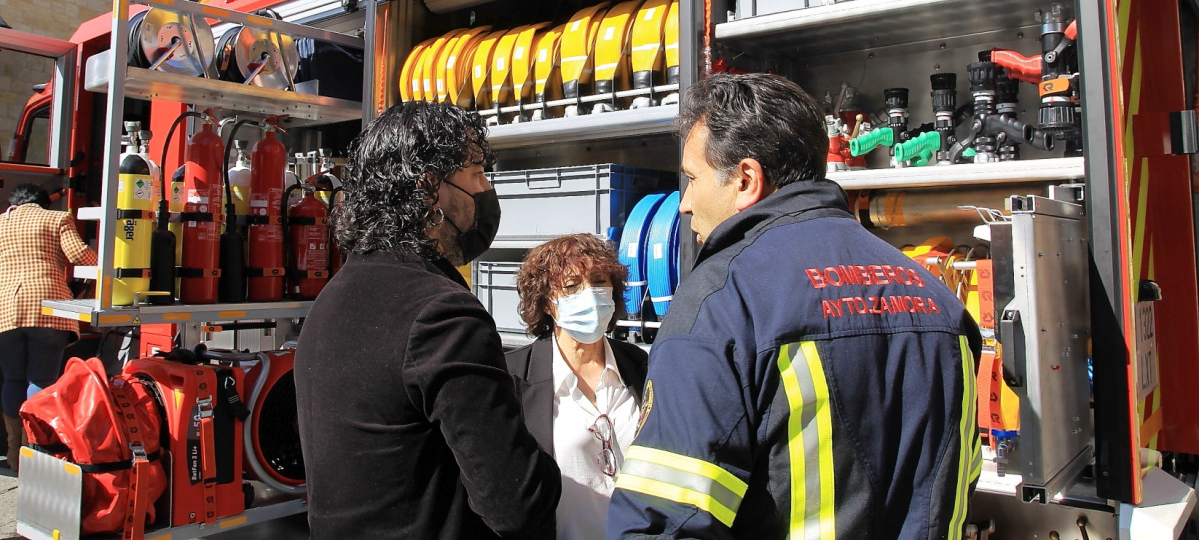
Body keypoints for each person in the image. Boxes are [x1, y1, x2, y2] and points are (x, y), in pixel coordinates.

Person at [607, 73, 982, 540]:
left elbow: (662, 523)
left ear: (746, 180)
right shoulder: (938, 301)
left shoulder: (723, 300)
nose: (683, 204)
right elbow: (959, 477)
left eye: (692, 178)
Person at [295, 102, 561, 540]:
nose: (487, 187)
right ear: (428, 189)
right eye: (476, 173)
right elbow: (516, 502)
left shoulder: (333, 298)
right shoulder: (442, 314)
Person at [506, 234, 648, 540]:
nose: (591, 294)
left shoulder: (640, 365)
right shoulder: (514, 378)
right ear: (546, 302)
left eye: (599, 281)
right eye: (572, 286)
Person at [0, 183, 97, 471]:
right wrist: (109, 262)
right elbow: (81, 256)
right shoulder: (56, 218)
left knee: (13, 380)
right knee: (41, 381)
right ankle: (37, 452)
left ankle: (14, 453)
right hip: (48, 309)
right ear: (43, 203)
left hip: (6, 310)